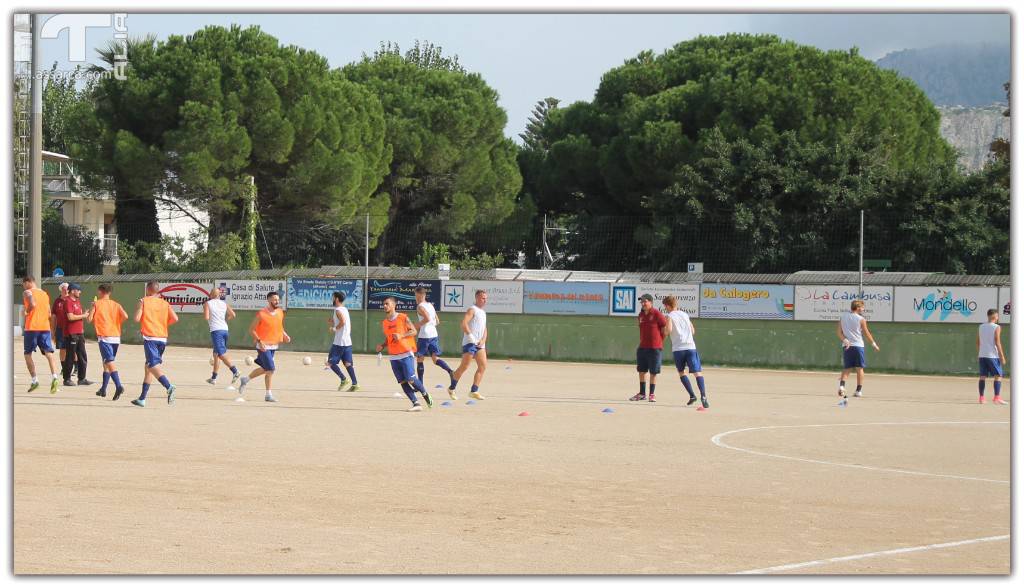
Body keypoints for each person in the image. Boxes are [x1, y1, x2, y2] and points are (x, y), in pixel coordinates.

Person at [375, 297, 432, 411]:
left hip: (406, 353)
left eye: (387, 304)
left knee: (411, 379)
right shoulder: (385, 323)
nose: (385, 306)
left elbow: (414, 331)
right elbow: (389, 338)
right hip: (393, 355)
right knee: (402, 381)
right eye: (384, 304)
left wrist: (402, 335)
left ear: (393, 305)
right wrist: (383, 345)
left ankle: (425, 394)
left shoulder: (402, 317)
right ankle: (416, 403)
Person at [131, 281, 179, 408]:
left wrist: (140, 311)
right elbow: (175, 318)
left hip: (150, 337)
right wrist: (161, 324)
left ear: (147, 289)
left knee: (152, 366)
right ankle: (142, 399)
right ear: (157, 290)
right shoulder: (165, 303)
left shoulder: (143, 301)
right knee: (148, 368)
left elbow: (136, 319)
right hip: (162, 338)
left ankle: (169, 386)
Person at [238, 292, 290, 403]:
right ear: (269, 300)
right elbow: (252, 329)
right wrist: (259, 341)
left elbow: (279, 326)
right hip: (263, 345)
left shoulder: (280, 312)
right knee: (271, 369)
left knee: (267, 369)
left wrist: (284, 335)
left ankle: (245, 379)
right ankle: (268, 395)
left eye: (278, 299)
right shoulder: (261, 314)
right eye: (275, 300)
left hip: (274, 345)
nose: (277, 301)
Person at [664, 295, 708, 409]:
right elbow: (693, 331)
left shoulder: (669, 316)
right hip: (690, 347)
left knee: (681, 372)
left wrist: (663, 332)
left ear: (668, 306)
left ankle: (692, 395)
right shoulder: (685, 314)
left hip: (679, 349)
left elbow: (668, 330)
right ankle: (703, 396)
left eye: (665, 306)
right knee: (697, 372)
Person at [87, 283, 128, 401]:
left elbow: (89, 320)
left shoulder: (97, 304)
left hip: (104, 336)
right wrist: (116, 321)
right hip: (115, 336)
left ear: (100, 291)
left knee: (109, 363)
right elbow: (125, 316)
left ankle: (118, 385)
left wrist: (91, 308)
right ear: (110, 292)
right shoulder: (116, 304)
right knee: (106, 363)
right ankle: (103, 389)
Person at [21, 276, 61, 394]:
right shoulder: (44, 294)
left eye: (24, 284)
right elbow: (49, 312)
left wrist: (27, 312)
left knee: (27, 354)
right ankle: (55, 377)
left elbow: (32, 303)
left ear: (28, 282)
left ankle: (35, 380)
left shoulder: (27, 292)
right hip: (44, 327)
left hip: (32, 327)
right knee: (48, 353)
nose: (23, 286)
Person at [836, 299, 880, 404]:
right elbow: (867, 333)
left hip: (847, 346)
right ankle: (858, 391)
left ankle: (842, 387)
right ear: (858, 307)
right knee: (860, 369)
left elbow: (838, 332)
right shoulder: (861, 319)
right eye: (862, 307)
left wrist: (845, 340)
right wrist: (874, 344)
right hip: (858, 346)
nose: (863, 309)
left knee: (847, 368)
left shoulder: (843, 317)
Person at [448, 290, 488, 401]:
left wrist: (483, 340)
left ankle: (474, 390)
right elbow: (464, 323)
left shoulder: (483, 312)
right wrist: (470, 336)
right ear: (477, 298)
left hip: (480, 345)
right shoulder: (472, 309)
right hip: (470, 343)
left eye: (486, 298)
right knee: (464, 367)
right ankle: (452, 388)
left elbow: (484, 329)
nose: (485, 300)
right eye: (483, 298)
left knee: (483, 366)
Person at [414, 286, 455, 389]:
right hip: (433, 334)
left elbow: (427, 318)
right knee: (435, 358)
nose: (415, 297)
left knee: (420, 359)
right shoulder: (430, 305)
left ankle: (420, 385)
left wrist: (416, 325)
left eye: (416, 295)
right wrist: (429, 325)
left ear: (421, 295)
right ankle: (450, 371)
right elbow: (437, 321)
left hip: (424, 336)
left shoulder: (420, 306)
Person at [630, 293, 667, 402]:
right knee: (641, 371)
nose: (643, 303)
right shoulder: (640, 315)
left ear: (651, 302)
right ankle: (642, 394)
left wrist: (659, 340)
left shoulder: (657, 313)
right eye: (641, 301)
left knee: (653, 372)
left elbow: (664, 328)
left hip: (655, 348)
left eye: (645, 301)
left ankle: (652, 394)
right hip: (642, 347)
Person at [204, 286, 240, 386]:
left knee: (220, 354)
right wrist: (225, 320)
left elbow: (206, 317)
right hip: (225, 329)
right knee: (216, 355)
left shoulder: (208, 303)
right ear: (219, 295)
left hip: (216, 331)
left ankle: (235, 371)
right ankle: (213, 378)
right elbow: (233, 314)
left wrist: (211, 321)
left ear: (211, 295)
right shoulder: (224, 304)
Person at [326, 291, 359, 392]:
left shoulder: (338, 310)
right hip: (347, 341)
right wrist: (333, 320)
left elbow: (343, 322)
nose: (332, 299)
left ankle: (343, 379)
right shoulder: (344, 309)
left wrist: (334, 328)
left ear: (336, 299)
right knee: (348, 363)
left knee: (330, 363)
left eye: (333, 297)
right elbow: (342, 319)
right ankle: (355, 384)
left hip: (339, 342)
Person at [60, 283, 92, 387]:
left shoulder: (77, 301)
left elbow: (79, 316)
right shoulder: (67, 302)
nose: (80, 292)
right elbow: (71, 317)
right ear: (73, 290)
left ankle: (82, 378)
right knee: (70, 356)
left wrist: (86, 313)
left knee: (82, 355)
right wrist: (83, 315)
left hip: (79, 333)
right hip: (71, 333)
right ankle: (67, 379)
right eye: (78, 290)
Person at [978, 308, 1008, 405]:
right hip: (993, 356)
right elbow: (997, 342)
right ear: (995, 316)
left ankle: (981, 398)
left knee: (982, 376)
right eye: (998, 315)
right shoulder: (997, 327)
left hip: (982, 355)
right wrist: (1002, 356)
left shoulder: (981, 326)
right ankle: (996, 398)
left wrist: (980, 353)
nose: (998, 317)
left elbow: (978, 342)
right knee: (998, 376)